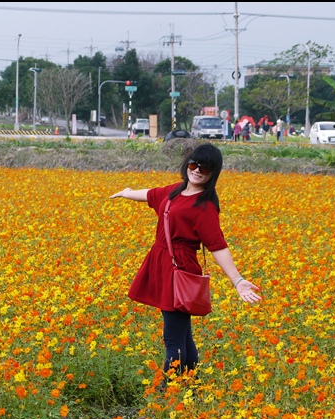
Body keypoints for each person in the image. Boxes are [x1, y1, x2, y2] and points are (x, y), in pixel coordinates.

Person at [109, 144, 261, 382]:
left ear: (213, 174)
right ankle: (191, 384)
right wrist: (128, 192)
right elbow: (150, 194)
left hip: (179, 269)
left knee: (173, 337)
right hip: (163, 265)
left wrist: (237, 280)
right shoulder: (175, 192)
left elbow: (217, 245)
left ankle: (167, 393)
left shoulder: (205, 206)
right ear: (187, 165)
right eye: (193, 164)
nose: (197, 170)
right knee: (182, 333)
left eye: (205, 168)